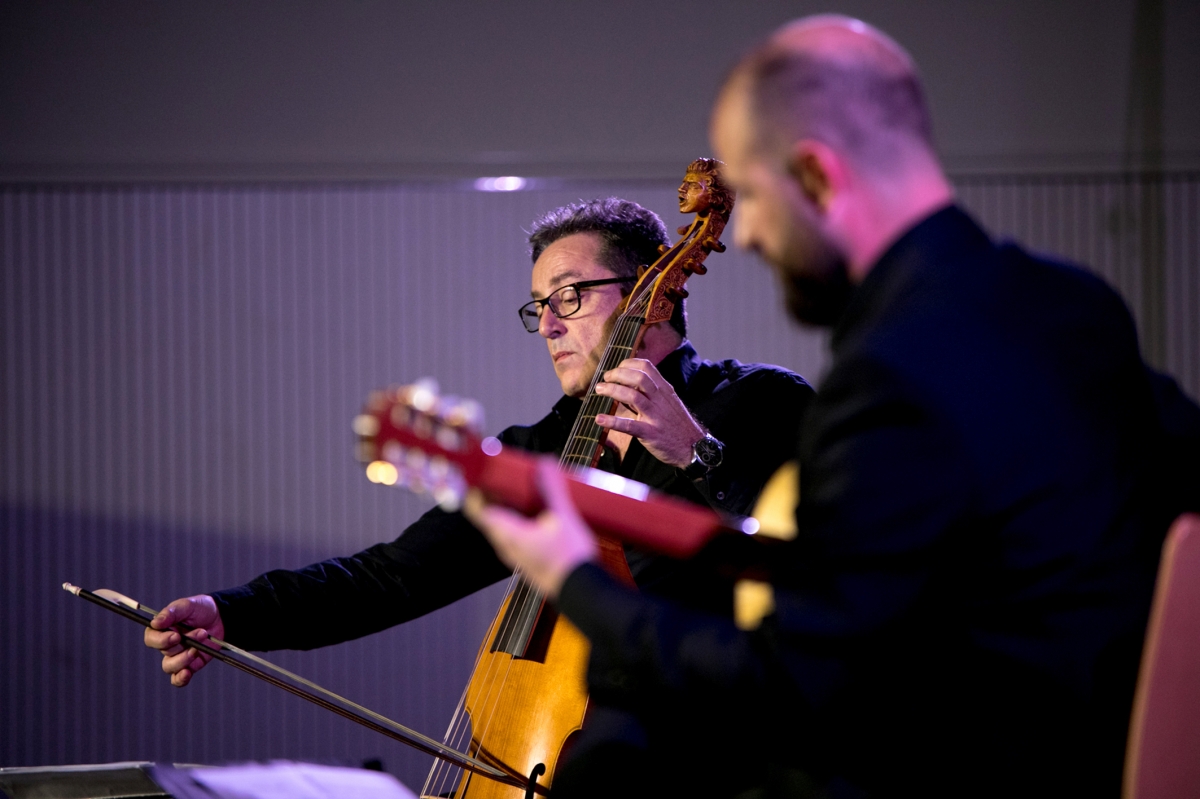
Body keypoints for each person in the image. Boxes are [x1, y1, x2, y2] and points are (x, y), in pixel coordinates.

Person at [466, 15, 1200, 799]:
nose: (741, 235)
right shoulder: (1073, 301)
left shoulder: (891, 381)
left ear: (816, 175)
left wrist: (575, 576)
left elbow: (786, 680)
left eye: (750, 194)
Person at [142, 197, 814, 774]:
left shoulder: (761, 403)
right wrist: (235, 612)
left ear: (648, 292)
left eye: (569, 296)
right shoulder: (540, 454)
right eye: (540, 306)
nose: (548, 325)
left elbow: (829, 565)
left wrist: (698, 453)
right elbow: (393, 575)